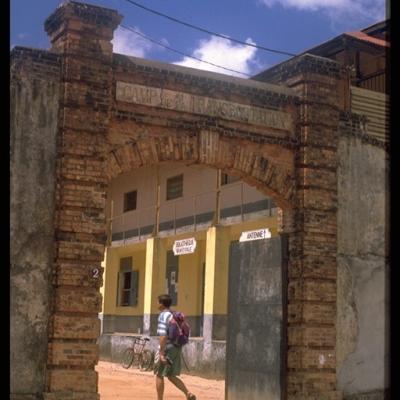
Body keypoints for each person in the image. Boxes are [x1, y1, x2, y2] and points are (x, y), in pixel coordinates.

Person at [154, 294, 196, 400]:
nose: (157, 304)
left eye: (158, 302)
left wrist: (162, 353)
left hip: (167, 347)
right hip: (176, 347)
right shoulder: (173, 314)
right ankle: (188, 393)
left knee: (159, 374)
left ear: (162, 304)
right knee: (171, 375)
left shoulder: (163, 316)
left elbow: (163, 336)